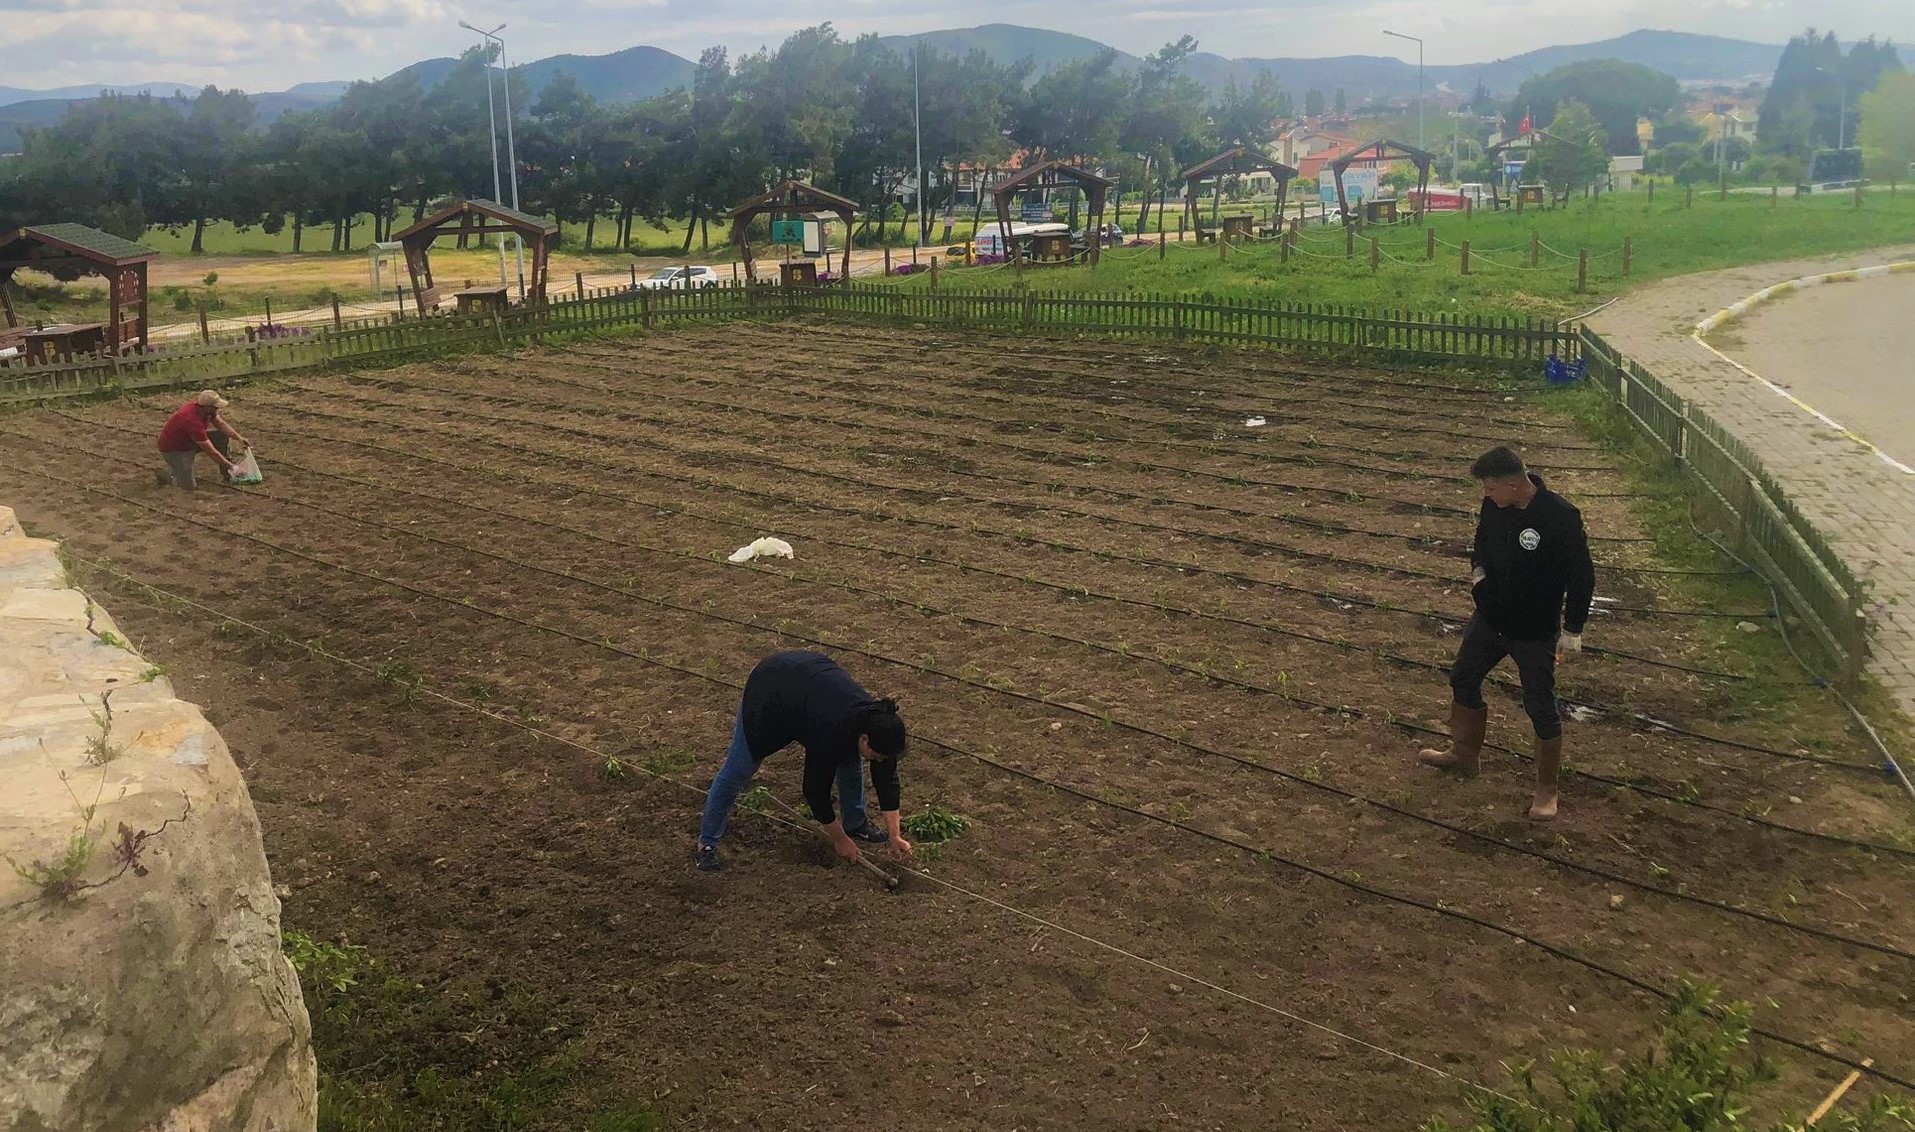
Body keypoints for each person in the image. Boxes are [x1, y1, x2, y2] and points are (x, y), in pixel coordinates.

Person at [1419, 446, 1594, 820]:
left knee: (1539, 705)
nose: (1486, 495)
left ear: (1516, 484)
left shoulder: (1560, 517)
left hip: (1533, 629)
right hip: (1490, 618)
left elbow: (1582, 576)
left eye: (1491, 488)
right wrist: (1478, 572)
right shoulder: (1494, 506)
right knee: (1463, 678)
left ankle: (1546, 790)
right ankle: (1465, 754)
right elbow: (1482, 540)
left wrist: (1573, 628)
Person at [697, 650, 913, 872]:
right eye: (877, 756)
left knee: (849, 759)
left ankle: (855, 824)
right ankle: (707, 843)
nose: (880, 760)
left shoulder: (879, 726)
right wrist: (839, 840)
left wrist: (894, 836)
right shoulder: (830, 730)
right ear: (865, 739)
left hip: (809, 689)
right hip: (771, 692)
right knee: (739, 769)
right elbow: (814, 791)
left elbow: (887, 781)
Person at [157, 390, 253, 490]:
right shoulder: (192, 420)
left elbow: (221, 424)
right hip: (175, 449)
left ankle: (227, 473)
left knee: (221, 435)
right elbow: (211, 452)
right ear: (207, 407)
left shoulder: (205, 411)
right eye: (216, 406)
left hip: (189, 440)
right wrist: (233, 467)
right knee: (188, 487)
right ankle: (168, 475)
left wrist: (239, 438)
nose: (218, 408)